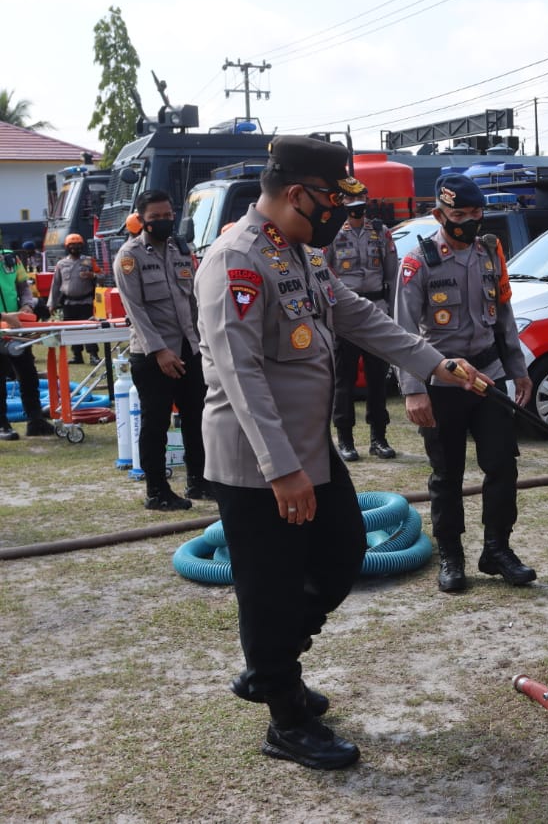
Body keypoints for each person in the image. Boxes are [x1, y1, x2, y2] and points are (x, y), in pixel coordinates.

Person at [195, 135, 485, 771]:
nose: (338, 212)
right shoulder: (236, 260)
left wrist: (435, 363)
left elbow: (357, 315)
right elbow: (241, 375)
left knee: (342, 551)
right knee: (269, 586)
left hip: (309, 449)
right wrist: (282, 470)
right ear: (298, 194)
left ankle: (270, 667)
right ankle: (286, 717)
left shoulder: (298, 251)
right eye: (331, 199)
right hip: (258, 462)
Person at [394, 173, 537, 594]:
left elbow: (504, 317)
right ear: (440, 215)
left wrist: (518, 368)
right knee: (447, 473)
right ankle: (451, 555)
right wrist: (413, 389)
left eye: (476, 213)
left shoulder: (490, 253)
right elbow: (403, 332)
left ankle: (497, 549)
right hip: (443, 382)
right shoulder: (418, 262)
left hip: (488, 377)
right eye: (460, 215)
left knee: (502, 465)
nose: (470, 222)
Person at [113, 189, 209, 511]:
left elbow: (192, 299)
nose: (164, 221)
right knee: (155, 424)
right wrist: (160, 351)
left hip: (188, 348)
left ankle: (198, 480)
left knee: (196, 417)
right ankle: (157, 491)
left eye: (168, 215)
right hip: (152, 355)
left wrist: (200, 341)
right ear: (141, 219)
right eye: (156, 217)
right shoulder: (129, 257)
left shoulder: (180, 250)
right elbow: (135, 310)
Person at [327, 198, 399, 461]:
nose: (357, 211)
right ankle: (345, 439)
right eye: (351, 206)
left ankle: (378, 438)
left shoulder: (380, 232)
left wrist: (391, 312)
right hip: (346, 313)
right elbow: (324, 273)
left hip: (376, 311)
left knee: (378, 379)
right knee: (343, 380)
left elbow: (392, 274)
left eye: (360, 205)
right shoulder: (333, 233)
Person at [0, 251, 56, 439]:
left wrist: (27, 305)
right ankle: (2, 424)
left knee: (28, 376)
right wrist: (3, 316)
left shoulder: (10, 258)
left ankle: (35, 419)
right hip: (4, 323)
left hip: (17, 328)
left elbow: (23, 287)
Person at [48, 233, 102, 365]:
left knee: (89, 328)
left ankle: (93, 355)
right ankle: (77, 355)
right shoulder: (61, 264)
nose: (75, 248)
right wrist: (52, 303)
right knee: (72, 329)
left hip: (86, 302)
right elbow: (56, 284)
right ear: (67, 247)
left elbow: (103, 276)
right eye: (72, 245)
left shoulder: (89, 261)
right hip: (68, 303)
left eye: (78, 245)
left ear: (82, 246)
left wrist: (93, 275)